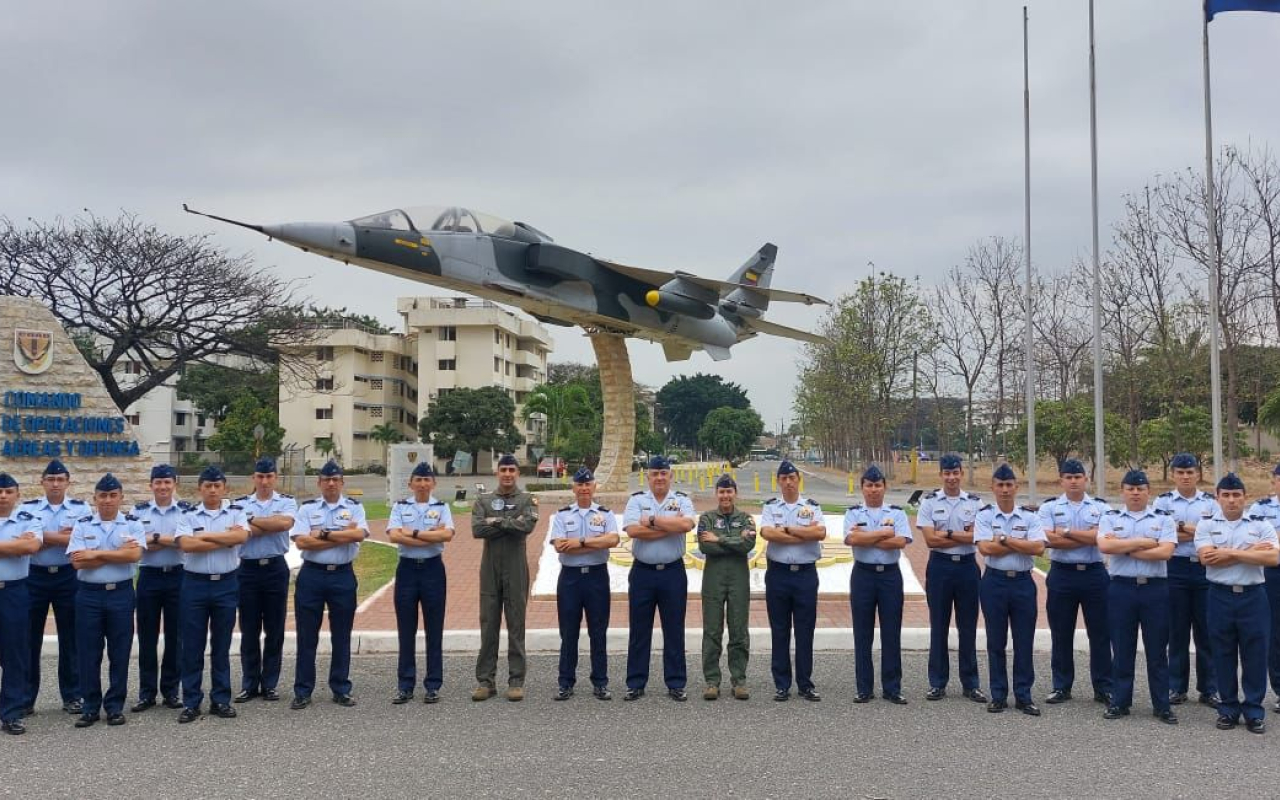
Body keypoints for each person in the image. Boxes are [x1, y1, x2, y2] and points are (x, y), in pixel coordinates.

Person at [1196, 472, 1279, 734]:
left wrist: (1228, 552)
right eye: (1226, 495)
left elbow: (1274, 559)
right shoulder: (1206, 525)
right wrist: (1251, 552)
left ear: (1245, 498)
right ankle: (1228, 709)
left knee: (1255, 654)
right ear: (1218, 498)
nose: (1232, 500)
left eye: (1237, 495)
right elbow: (1207, 559)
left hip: (1254, 597)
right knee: (1222, 653)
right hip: (1219, 596)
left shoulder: (1261, 524)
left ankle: (1254, 710)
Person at [1098, 468, 1179, 724]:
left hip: (1155, 589)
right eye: (1130, 489)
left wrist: (1126, 547)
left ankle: (1162, 705)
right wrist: (1145, 542)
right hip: (1122, 588)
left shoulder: (1163, 519)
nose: (1135, 493)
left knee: (1157, 649)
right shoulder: (1109, 518)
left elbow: (1165, 553)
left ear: (1148, 492)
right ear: (1122, 492)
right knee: (1122, 647)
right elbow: (1106, 546)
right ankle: (1120, 702)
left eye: (1140, 489)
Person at [290, 460, 368, 710]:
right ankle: (303, 691)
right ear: (319, 483)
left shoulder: (355, 508)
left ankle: (341, 688)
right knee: (306, 636)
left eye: (335, 479)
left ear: (342, 482)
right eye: (326, 479)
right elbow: (302, 542)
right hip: (312, 576)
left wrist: (321, 534)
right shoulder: (307, 509)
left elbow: (358, 535)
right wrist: (339, 536)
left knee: (342, 634)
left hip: (342, 576)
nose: (331, 483)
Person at [67, 473, 144, 728]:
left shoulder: (133, 524)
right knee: (88, 653)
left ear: (121, 498)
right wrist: (117, 554)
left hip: (121, 594)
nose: (107, 501)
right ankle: (90, 707)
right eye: (103, 496)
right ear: (95, 499)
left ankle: (114, 707)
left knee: (119, 652)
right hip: (89, 595)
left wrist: (95, 553)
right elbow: (77, 561)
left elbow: (134, 555)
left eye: (113, 496)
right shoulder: (83, 524)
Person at [174, 466, 249, 723]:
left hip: (226, 584)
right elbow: (187, 544)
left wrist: (205, 536)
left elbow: (240, 537)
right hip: (195, 585)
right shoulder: (188, 514)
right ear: (200, 488)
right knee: (192, 646)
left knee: (221, 645)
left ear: (225, 488)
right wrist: (224, 538)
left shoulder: (237, 512)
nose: (213, 490)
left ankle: (221, 700)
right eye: (208, 485)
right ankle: (191, 702)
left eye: (217, 485)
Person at [974, 463, 1047, 716]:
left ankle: (1024, 696)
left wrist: (1004, 540)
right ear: (992, 488)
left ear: (1016, 487)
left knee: (1024, 641)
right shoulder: (984, 516)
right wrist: (1020, 543)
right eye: (1000, 485)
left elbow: (1038, 549)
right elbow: (985, 549)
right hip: (994, 581)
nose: (1004, 490)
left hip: (1023, 583)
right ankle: (998, 695)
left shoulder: (1030, 517)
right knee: (996, 640)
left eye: (1009, 485)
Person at [622, 455, 696, 702]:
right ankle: (635, 682)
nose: (659, 478)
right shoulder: (637, 500)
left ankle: (675, 682)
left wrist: (653, 521)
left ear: (670, 476)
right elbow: (633, 530)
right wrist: (668, 527)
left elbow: (686, 525)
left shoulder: (682, 500)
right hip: (642, 572)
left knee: (674, 629)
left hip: (673, 573)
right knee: (639, 629)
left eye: (664, 473)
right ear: (648, 476)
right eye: (655, 473)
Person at [1038, 458, 1112, 705]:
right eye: (1068, 477)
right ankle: (1061, 686)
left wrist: (1066, 533)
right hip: (1062, 574)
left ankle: (1103, 687)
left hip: (1094, 574)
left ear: (1086, 479)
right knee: (1061, 632)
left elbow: (1104, 538)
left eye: (1077, 477)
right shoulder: (1049, 507)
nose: (1073, 481)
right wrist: (1088, 537)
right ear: (1061, 480)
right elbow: (1047, 539)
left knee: (1100, 633)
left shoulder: (1101, 507)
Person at [916, 453, 987, 703]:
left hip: (967, 568)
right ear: (940, 475)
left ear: (961, 474)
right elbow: (930, 540)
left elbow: (978, 538)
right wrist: (961, 534)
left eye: (955, 472)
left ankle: (971, 684)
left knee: (967, 627)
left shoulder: (976, 503)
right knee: (939, 626)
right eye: (947, 473)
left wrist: (945, 532)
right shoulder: (929, 502)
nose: (952, 477)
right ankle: (937, 683)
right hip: (940, 568)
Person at [472, 454, 538, 702]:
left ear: (517, 473)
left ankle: (516, 680)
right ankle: (485, 682)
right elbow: (477, 530)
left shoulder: (527, 499)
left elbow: (527, 527)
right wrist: (511, 523)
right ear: (497, 473)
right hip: (489, 568)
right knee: (488, 625)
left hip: (516, 567)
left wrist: (496, 522)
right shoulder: (484, 499)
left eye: (512, 469)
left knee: (516, 624)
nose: (508, 474)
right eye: (503, 470)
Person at [759, 460, 827, 702]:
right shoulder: (770, 507)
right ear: (778, 481)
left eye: (792, 478)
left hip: (806, 575)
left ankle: (805, 684)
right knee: (780, 630)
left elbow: (819, 533)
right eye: (783, 478)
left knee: (805, 630)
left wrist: (786, 531)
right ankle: (782, 684)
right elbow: (767, 533)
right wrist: (801, 532)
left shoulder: (811, 506)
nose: (788, 482)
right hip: (778, 574)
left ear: (799, 479)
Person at [1155, 453, 1219, 707]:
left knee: (1206, 631)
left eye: (1190, 472)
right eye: (1180, 472)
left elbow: (1214, 535)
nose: (1185, 476)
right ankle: (1176, 687)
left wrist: (1178, 527)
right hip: (1175, 569)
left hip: (1204, 570)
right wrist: (1196, 531)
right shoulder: (1163, 501)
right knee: (1177, 631)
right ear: (1173, 475)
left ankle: (1209, 688)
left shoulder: (1211, 502)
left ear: (1197, 474)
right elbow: (1161, 534)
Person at [549, 466, 619, 701]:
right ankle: (565, 682)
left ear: (594, 487)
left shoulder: (605, 514)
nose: (584, 489)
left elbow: (612, 540)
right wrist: (593, 542)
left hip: (597, 577)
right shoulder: (563, 515)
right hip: (570, 578)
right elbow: (559, 545)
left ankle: (600, 682)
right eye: (580, 485)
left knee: (598, 631)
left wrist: (578, 542)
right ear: (574, 488)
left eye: (588, 484)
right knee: (568, 632)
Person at [387, 461, 454, 705]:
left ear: (433, 483)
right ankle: (405, 685)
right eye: (419, 480)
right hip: (406, 571)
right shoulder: (400, 506)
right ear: (411, 483)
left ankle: (433, 685)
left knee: (434, 629)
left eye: (427, 480)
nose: (423, 484)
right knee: (406, 630)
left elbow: (446, 535)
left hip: (433, 570)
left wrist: (412, 534)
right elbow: (394, 536)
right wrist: (429, 536)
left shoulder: (442, 507)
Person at [23, 459, 86, 716]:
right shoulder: (28, 509)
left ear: (68, 482)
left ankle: (72, 696)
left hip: (67, 576)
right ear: (42, 482)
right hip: (34, 577)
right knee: (29, 639)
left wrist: (41, 537)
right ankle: (25, 698)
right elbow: (27, 539)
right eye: (51, 479)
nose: (56, 484)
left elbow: (82, 539)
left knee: (71, 638)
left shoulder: (81, 509)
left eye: (60, 479)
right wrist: (62, 537)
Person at [845, 465, 912, 704]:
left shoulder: (897, 512)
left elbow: (901, 541)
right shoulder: (852, 512)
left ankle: (892, 688)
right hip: (863, 575)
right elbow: (852, 539)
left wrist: (868, 538)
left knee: (891, 632)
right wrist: (884, 533)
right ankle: (864, 688)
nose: (873, 489)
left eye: (878, 485)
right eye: (869, 485)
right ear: (862, 488)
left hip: (890, 577)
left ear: (885, 487)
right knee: (862, 633)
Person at [233, 457, 297, 704]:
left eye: (269, 476)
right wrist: (267, 524)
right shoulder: (239, 504)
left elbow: (285, 523)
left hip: (275, 569)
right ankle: (250, 683)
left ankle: (269, 684)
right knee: (249, 629)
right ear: (253, 478)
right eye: (260, 476)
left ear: (276, 478)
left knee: (274, 629)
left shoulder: (287, 502)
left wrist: (250, 523)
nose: (264, 481)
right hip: (247, 570)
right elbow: (239, 532)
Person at [130, 464, 188, 713]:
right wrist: (170, 540)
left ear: (175, 483)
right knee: (147, 636)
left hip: (178, 577)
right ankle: (146, 693)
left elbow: (186, 544)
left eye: (167, 482)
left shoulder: (187, 511)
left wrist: (153, 538)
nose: (162, 487)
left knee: (176, 637)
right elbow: (136, 545)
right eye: (158, 482)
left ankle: (171, 691)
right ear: (151, 484)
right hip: (149, 578)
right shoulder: (138, 510)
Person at [697, 473, 754, 701]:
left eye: (729, 491)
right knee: (712, 630)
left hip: (739, 578)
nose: (725, 496)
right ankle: (712, 681)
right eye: (721, 492)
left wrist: (719, 539)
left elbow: (747, 545)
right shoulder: (707, 518)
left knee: (738, 630)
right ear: (716, 494)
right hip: (713, 578)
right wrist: (734, 541)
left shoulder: (747, 519)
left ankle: (739, 680)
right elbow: (704, 546)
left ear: (735, 493)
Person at [0, 473, 41, 735]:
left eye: (8, 491)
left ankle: (12, 713)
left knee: (15, 653)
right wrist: (14, 544)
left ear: (17, 495)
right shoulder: (21, 529)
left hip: (14, 592)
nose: (3, 496)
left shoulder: (30, 520)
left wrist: (22, 545)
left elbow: (32, 547)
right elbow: (20, 547)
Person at [1245, 462, 1280, 712]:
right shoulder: (1260, 508)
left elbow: (1270, 542)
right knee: (1274, 632)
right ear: (1274, 481)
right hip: (1272, 574)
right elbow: (1256, 543)